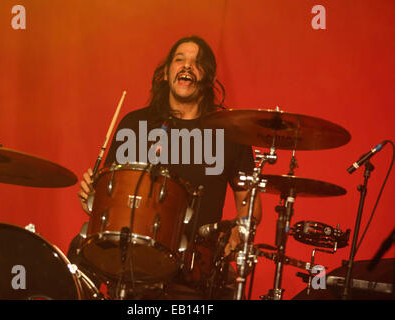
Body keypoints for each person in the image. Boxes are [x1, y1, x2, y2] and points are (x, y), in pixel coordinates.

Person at [74, 35, 262, 299]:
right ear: (165, 73)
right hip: (132, 267)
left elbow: (250, 204)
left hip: (195, 274)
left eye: (197, 63)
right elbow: (107, 197)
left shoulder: (230, 133)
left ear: (208, 77)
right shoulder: (135, 125)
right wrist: (91, 199)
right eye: (179, 60)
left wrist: (238, 231)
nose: (187, 67)